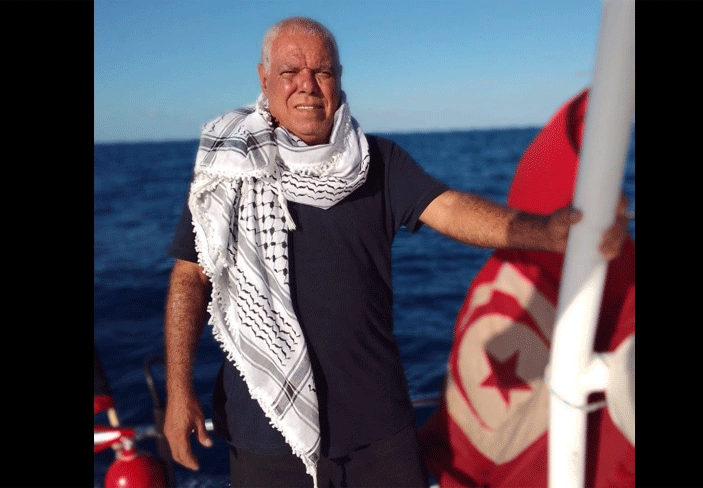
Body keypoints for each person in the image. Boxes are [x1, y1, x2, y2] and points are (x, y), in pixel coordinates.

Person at [162, 16, 630, 488]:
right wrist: (179, 391)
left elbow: (450, 209)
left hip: (378, 429)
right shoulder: (226, 172)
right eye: (290, 72)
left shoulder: (378, 162)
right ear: (264, 79)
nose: (307, 85)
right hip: (265, 432)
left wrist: (546, 232)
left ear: (339, 78)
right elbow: (190, 277)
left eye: (322, 71)